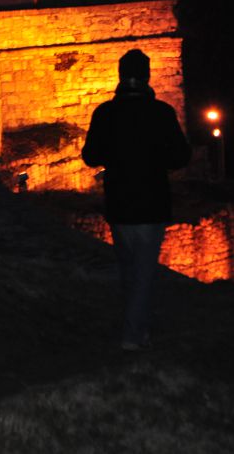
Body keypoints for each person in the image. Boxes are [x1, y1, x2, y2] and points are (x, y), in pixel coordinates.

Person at [81, 49, 190, 351]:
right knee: (143, 270)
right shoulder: (162, 113)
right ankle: (133, 335)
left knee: (130, 269)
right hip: (152, 201)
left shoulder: (105, 113)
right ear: (147, 77)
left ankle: (137, 329)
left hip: (119, 201)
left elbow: (91, 156)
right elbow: (181, 156)